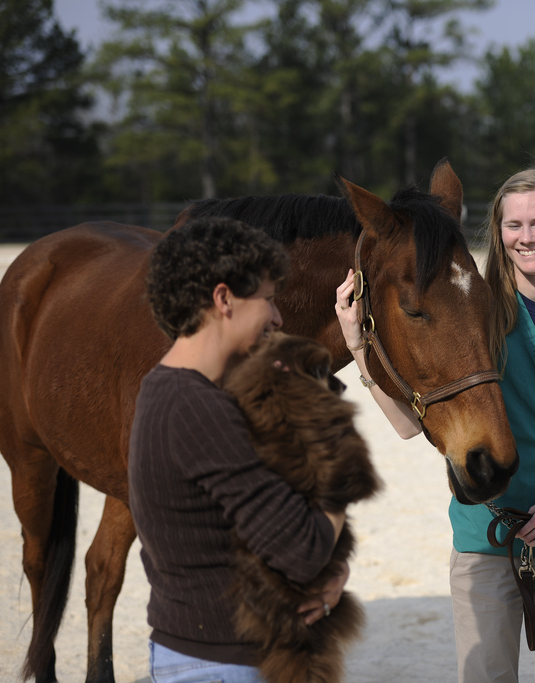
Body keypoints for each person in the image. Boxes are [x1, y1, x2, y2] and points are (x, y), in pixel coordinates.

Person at [335, 168, 535, 683]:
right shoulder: (474, 311)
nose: (526, 237)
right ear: (497, 231)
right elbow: (412, 427)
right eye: (512, 224)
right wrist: (357, 347)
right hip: (486, 536)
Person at [128, 217, 350, 682]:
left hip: (202, 654)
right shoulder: (197, 409)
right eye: (268, 299)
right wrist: (334, 456)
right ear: (224, 299)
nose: (278, 317)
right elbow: (305, 550)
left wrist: (331, 582)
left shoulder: (166, 390)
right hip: (222, 664)